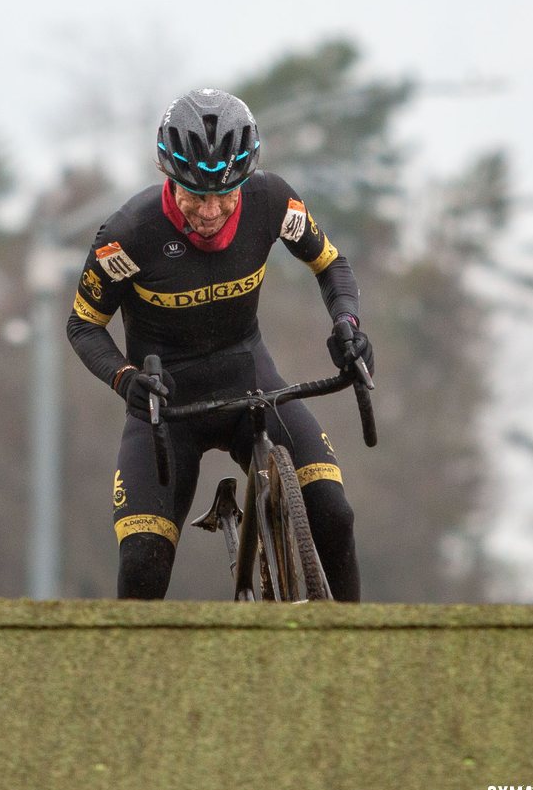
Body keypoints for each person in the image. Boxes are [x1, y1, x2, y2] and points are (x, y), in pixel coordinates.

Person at [65, 88, 374, 600]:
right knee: (142, 562)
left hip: (249, 377)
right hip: (164, 406)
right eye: (194, 194)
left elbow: (330, 265)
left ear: (246, 181)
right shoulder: (129, 235)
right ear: (169, 178)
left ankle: (352, 662)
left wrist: (348, 325)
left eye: (225, 194)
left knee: (334, 512)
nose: (210, 211)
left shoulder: (272, 201)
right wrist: (126, 380)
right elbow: (83, 325)